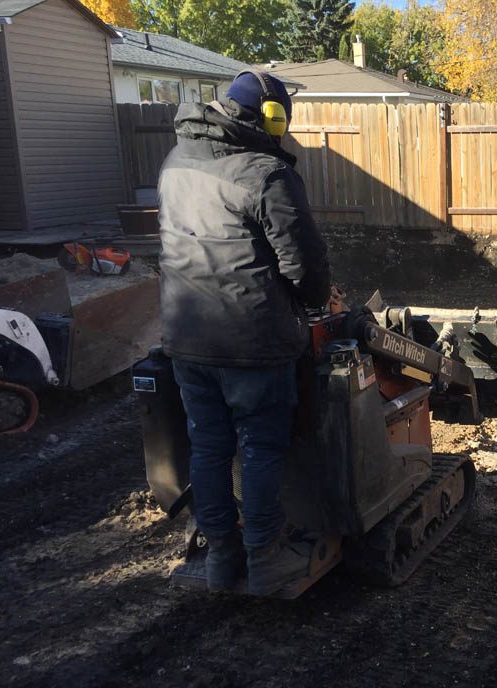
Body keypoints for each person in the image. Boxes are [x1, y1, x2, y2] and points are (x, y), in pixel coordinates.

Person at [157, 70, 331, 596]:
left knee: (208, 447)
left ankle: (220, 559)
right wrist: (318, 302)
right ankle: (265, 555)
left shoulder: (174, 163)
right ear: (273, 119)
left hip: (187, 339)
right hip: (253, 344)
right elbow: (305, 271)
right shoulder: (266, 174)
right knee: (259, 446)